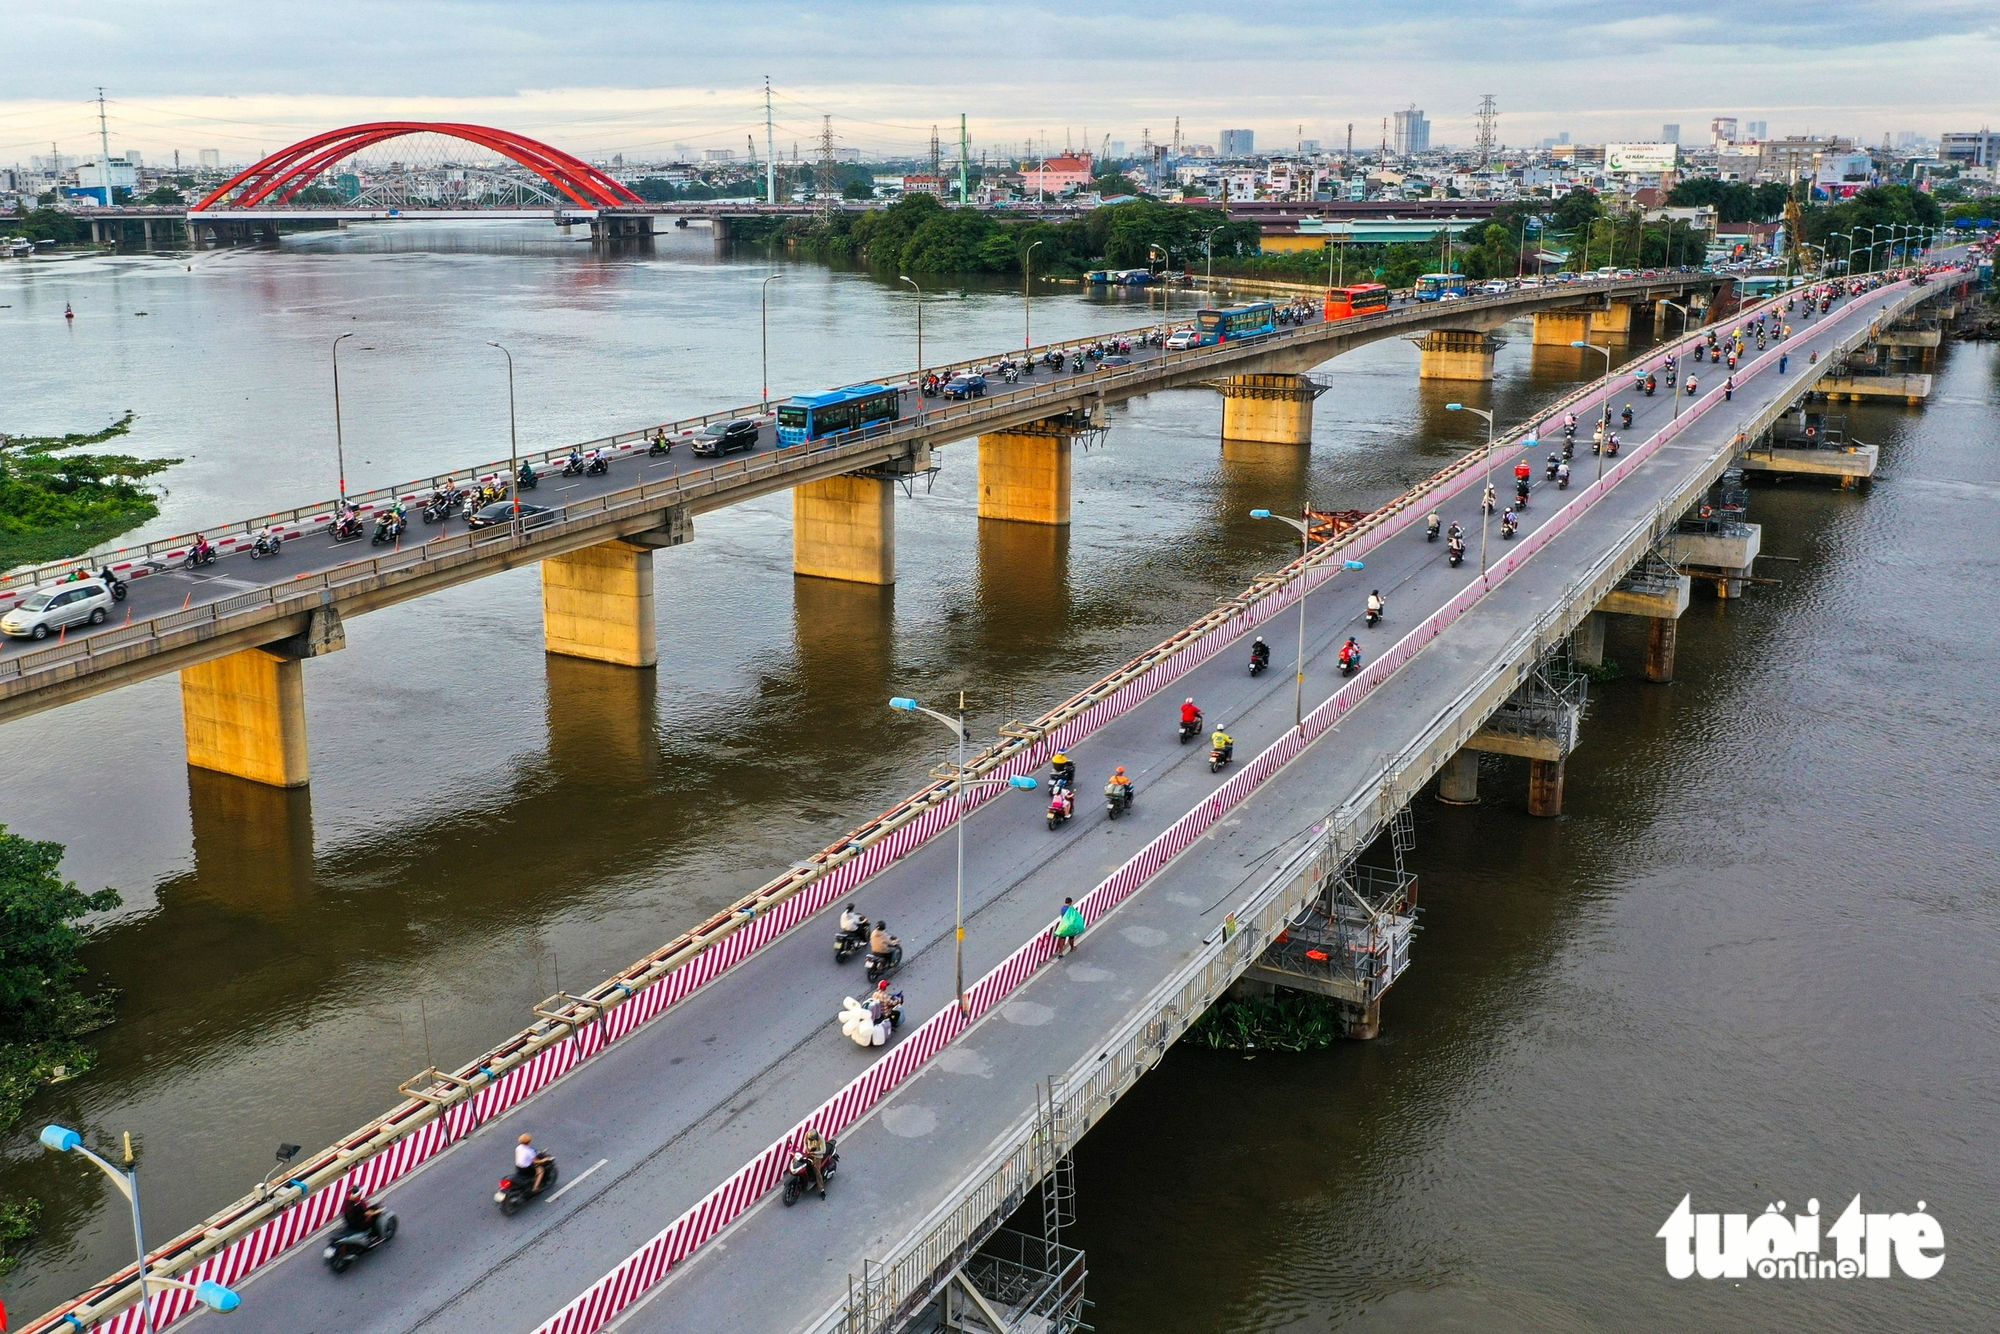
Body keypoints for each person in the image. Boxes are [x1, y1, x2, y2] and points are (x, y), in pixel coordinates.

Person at [800, 1129, 831, 1197]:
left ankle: (822, 1190)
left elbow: (823, 1151)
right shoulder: (807, 1134)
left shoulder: (820, 1139)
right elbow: (804, 1142)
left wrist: (814, 1153)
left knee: (817, 1172)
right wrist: (807, 1149)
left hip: (817, 1155)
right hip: (809, 1151)